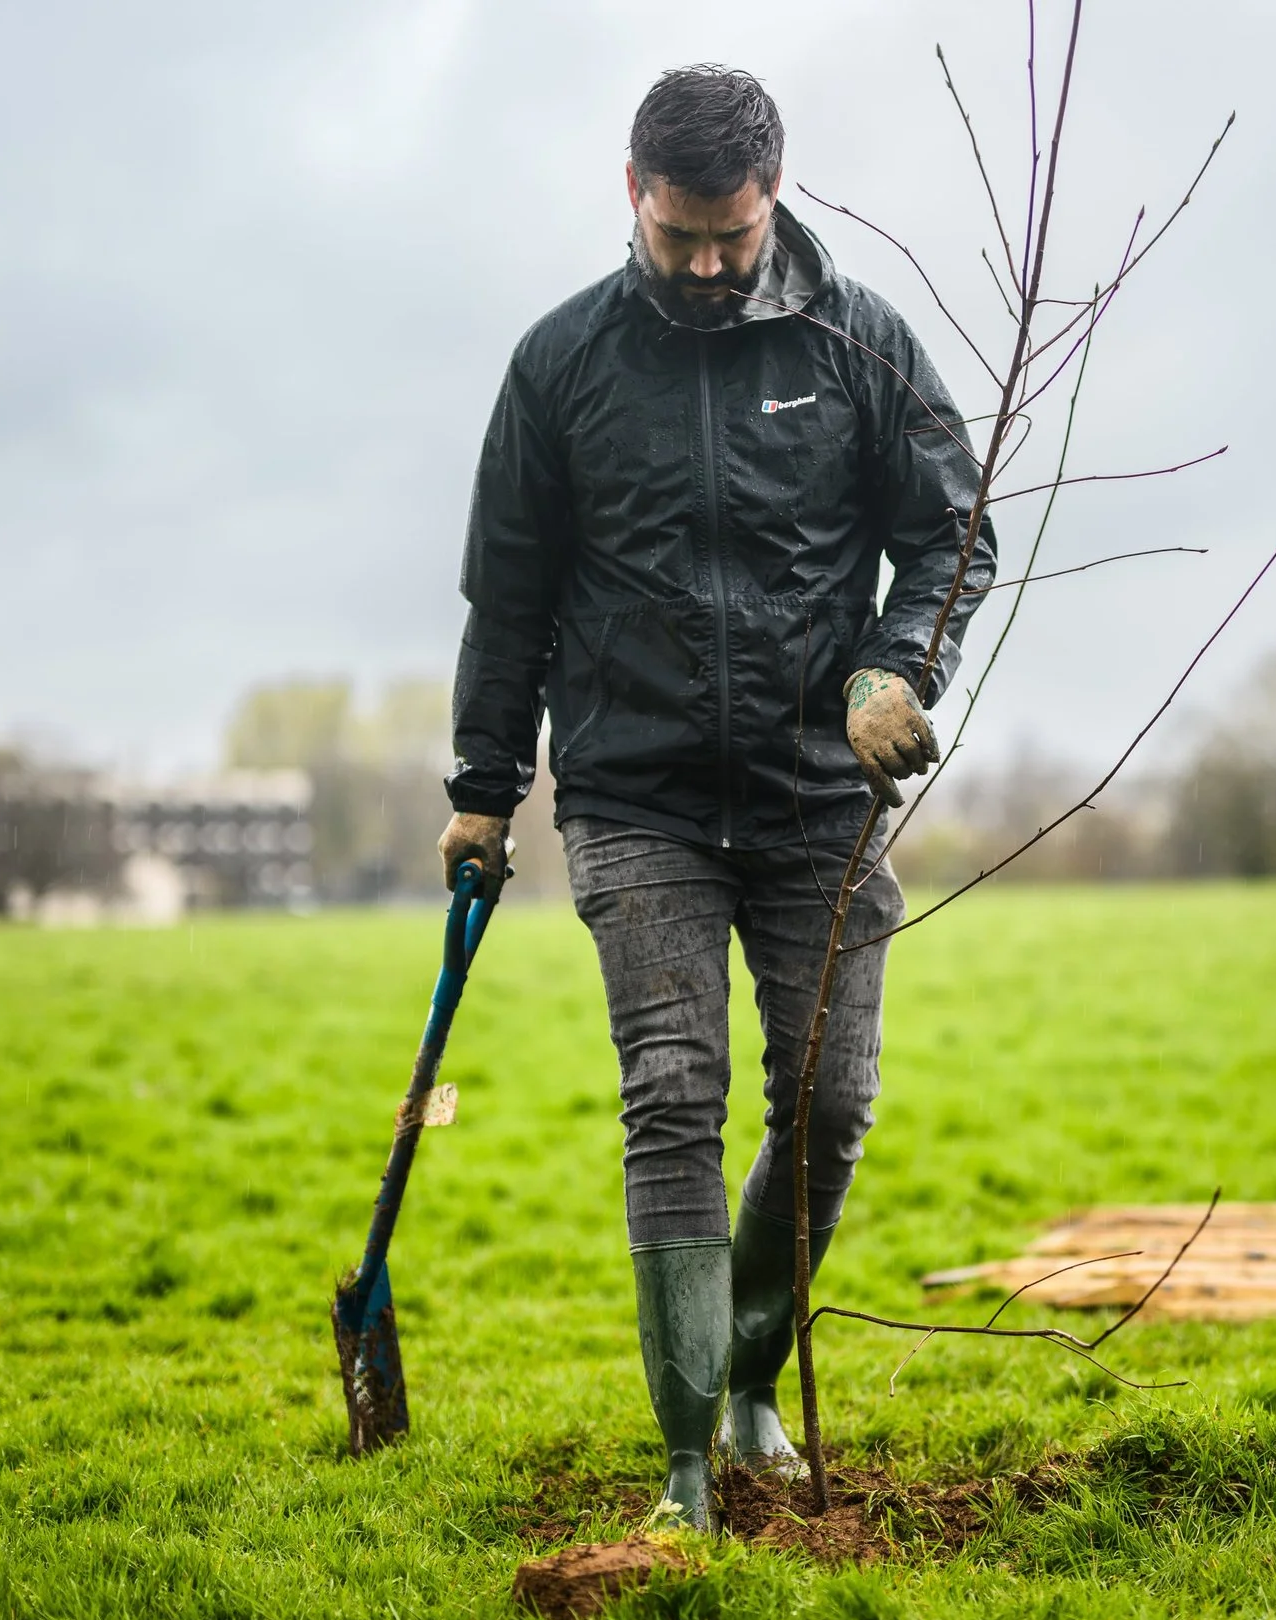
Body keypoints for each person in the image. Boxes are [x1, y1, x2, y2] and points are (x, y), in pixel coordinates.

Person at [436, 65, 995, 1529]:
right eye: (675, 233)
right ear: (633, 191)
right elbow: (509, 597)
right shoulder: (561, 363)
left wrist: (893, 669)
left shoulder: (861, 341)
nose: (700, 264)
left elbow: (953, 536)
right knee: (674, 1095)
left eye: (728, 237)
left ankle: (751, 1380)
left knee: (831, 1100)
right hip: (638, 800)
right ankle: (687, 1460)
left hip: (820, 793)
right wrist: (484, 789)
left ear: (773, 196)